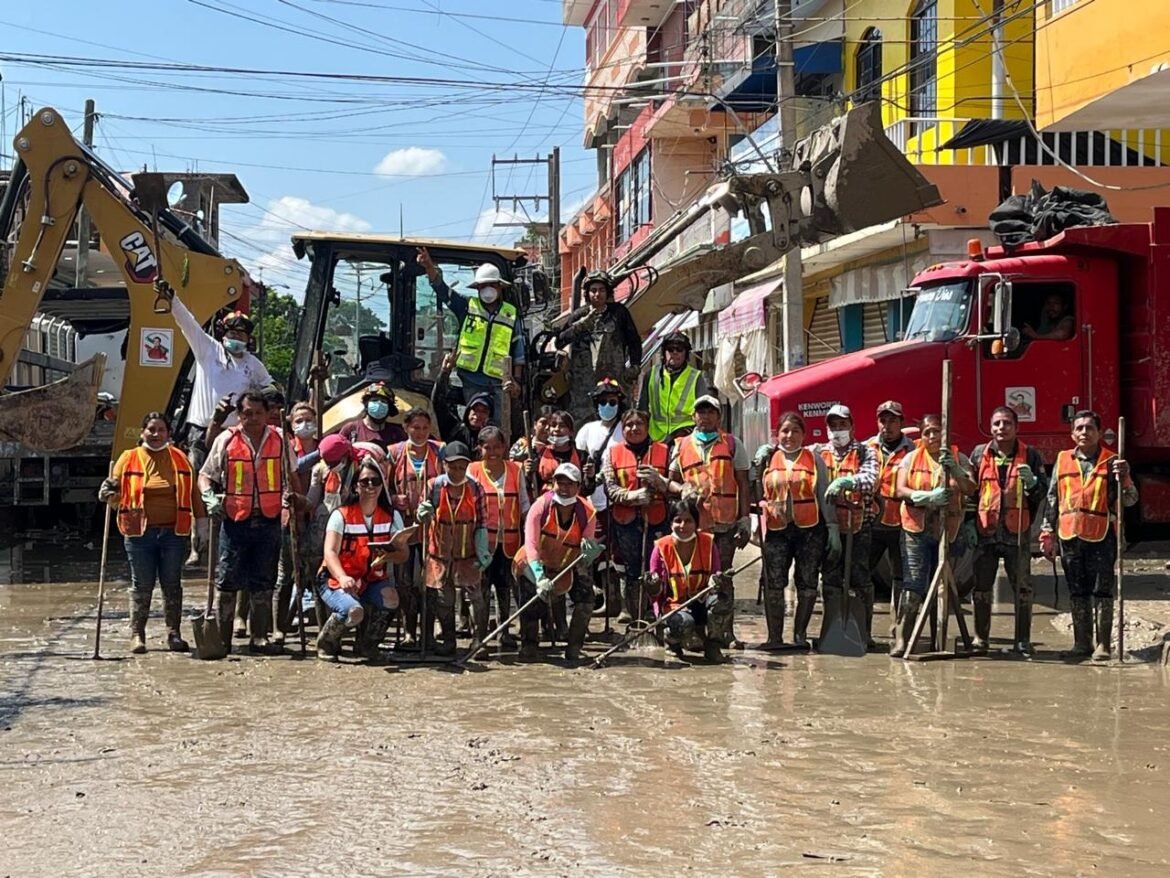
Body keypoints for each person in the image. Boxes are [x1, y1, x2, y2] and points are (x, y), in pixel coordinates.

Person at [198, 391, 299, 655]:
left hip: (269, 520)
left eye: (258, 413)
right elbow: (205, 475)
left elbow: (292, 475)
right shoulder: (226, 439)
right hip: (235, 520)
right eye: (247, 413)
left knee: (264, 580)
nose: (252, 418)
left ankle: (259, 638)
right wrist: (209, 496)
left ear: (267, 414)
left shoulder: (280, 439)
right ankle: (222, 640)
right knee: (227, 580)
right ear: (239, 415)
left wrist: (295, 501)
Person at [98, 413, 208, 654]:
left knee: (172, 583)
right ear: (142, 432)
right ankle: (137, 635)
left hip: (173, 533)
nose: (156, 434)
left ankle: (174, 634)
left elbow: (193, 494)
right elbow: (115, 493)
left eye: (161, 430)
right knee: (142, 584)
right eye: (151, 429)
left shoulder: (180, 459)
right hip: (139, 534)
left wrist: (201, 525)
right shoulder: (128, 458)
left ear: (168, 433)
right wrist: (107, 493)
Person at [1041, 410, 1137, 661]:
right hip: (1070, 535)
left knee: (1102, 591)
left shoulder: (1113, 462)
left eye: (1090, 428)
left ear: (1099, 432)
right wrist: (1047, 532)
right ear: (1072, 434)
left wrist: (1125, 477)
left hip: (1101, 535)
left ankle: (1103, 645)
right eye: (1079, 428)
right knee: (1077, 591)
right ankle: (1082, 643)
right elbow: (1052, 498)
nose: (1084, 432)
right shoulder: (1062, 459)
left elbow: (1130, 500)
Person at [668, 394, 751, 648]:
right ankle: (694, 631)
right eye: (701, 412)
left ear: (719, 417)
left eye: (710, 412)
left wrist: (745, 520)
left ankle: (724, 633)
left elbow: (744, 484)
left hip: (724, 525)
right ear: (693, 416)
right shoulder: (681, 445)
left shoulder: (733, 444)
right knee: (693, 578)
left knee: (723, 578)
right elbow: (669, 482)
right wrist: (682, 489)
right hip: (692, 527)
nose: (705, 416)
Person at [892, 414, 976, 658]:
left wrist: (956, 471)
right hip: (916, 529)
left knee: (941, 587)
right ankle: (903, 639)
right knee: (914, 585)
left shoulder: (959, 458)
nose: (932, 437)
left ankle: (937, 638)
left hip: (947, 530)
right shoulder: (911, 458)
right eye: (927, 432)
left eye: (936, 431)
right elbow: (900, 489)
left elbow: (971, 488)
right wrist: (924, 497)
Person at [968, 406, 1048, 655]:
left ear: (1016, 427)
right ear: (990, 428)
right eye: (997, 424)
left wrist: (1032, 483)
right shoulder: (979, 454)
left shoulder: (1031, 455)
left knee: (1022, 588)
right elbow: (971, 492)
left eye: (1007, 423)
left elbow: (1042, 493)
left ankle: (1022, 640)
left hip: (1017, 533)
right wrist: (969, 525)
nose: (1001, 428)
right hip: (986, 532)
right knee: (981, 588)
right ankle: (981, 639)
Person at [316, 456, 408, 662]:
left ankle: (368, 645)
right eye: (365, 481)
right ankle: (327, 642)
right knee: (353, 611)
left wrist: (388, 555)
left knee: (392, 599)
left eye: (375, 481)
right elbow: (330, 552)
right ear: (356, 486)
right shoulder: (341, 515)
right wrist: (342, 577)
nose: (370, 486)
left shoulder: (392, 516)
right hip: (335, 579)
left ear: (382, 485)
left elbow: (404, 555)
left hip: (372, 579)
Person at [417, 249, 525, 419]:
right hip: (470, 380)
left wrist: (516, 382)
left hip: (499, 383)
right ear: (477, 288)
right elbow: (443, 291)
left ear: (499, 286)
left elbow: (518, 352)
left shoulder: (510, 314)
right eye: (483, 286)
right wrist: (429, 267)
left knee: (497, 426)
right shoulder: (467, 306)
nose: (488, 290)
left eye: (492, 285)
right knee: (474, 421)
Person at [757, 412, 832, 648]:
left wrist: (832, 528)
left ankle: (800, 636)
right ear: (777, 434)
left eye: (795, 431)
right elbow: (755, 490)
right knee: (773, 582)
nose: (789, 436)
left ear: (804, 435)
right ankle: (775, 638)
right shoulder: (768, 458)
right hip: (777, 530)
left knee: (807, 581)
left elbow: (824, 494)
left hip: (810, 530)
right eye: (785, 431)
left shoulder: (814, 459)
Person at [169, 299, 272, 471]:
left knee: (232, 478)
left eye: (241, 335)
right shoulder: (208, 349)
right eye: (232, 333)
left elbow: (270, 386)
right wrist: (173, 300)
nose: (236, 337)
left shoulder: (253, 364)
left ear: (248, 339)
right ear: (224, 335)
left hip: (233, 433)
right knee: (198, 476)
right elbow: (186, 322)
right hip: (201, 432)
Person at [513, 462, 599, 661]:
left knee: (586, 597)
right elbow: (531, 543)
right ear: (553, 484)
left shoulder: (588, 513)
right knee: (532, 602)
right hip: (533, 562)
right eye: (560, 483)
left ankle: (574, 647)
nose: (564, 488)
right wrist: (539, 576)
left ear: (578, 487)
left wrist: (589, 553)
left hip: (566, 563)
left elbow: (586, 543)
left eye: (570, 484)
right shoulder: (540, 507)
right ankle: (529, 645)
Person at [415, 442, 490, 655]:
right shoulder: (434, 486)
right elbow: (421, 515)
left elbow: (482, 522)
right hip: (439, 553)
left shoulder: (475, 488)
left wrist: (483, 550)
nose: (457, 472)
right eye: (452, 466)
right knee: (443, 599)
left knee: (476, 597)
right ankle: (449, 642)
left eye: (461, 467)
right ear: (443, 465)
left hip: (468, 552)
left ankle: (479, 641)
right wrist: (422, 513)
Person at [815, 404, 880, 648]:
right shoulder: (817, 452)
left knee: (860, 578)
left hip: (858, 526)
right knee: (830, 578)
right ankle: (832, 631)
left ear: (851, 426)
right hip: (828, 527)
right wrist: (771, 450)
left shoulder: (865, 451)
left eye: (842, 424)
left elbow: (871, 479)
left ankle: (864, 633)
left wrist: (847, 481)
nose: (837, 429)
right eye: (833, 425)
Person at [603, 409, 673, 624]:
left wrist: (659, 482)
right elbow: (610, 488)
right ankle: (637, 618)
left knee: (657, 569)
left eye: (639, 424)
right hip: (626, 523)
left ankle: (657, 613)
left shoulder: (665, 451)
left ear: (647, 426)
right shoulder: (612, 453)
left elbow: (674, 486)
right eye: (629, 425)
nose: (634, 428)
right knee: (632, 571)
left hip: (657, 520)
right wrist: (633, 496)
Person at [647, 498, 732, 662]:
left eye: (688, 521)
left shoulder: (708, 543)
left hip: (701, 600)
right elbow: (655, 592)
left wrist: (716, 581)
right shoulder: (661, 547)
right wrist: (653, 584)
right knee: (684, 622)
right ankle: (672, 642)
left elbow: (715, 572)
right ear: (671, 523)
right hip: (673, 606)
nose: (683, 526)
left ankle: (713, 645)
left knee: (722, 602)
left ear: (696, 523)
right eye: (678, 521)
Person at [386, 408, 445, 646]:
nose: (420, 433)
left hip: (433, 527)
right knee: (405, 581)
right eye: (415, 427)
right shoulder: (394, 452)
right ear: (406, 427)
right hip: (405, 526)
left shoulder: (440, 451)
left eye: (424, 428)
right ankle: (409, 632)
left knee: (431, 580)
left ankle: (428, 633)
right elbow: (384, 486)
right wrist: (393, 498)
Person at [469, 427, 531, 648]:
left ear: (504, 447)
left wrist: (530, 532)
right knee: (482, 589)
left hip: (510, 542)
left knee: (505, 587)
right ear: (480, 449)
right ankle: (480, 637)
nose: (493, 452)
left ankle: (504, 631)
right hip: (482, 543)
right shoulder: (473, 470)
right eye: (488, 447)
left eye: (497, 447)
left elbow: (524, 503)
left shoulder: (515, 469)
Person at [555, 271, 643, 427]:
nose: (597, 294)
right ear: (587, 294)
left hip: (614, 380)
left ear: (608, 292)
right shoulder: (578, 315)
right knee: (583, 423)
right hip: (583, 386)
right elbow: (559, 341)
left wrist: (635, 366)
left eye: (602, 290)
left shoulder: (619, 313)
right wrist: (581, 326)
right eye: (593, 290)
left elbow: (634, 341)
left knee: (618, 419)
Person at [864, 401, 917, 636]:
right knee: (861, 576)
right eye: (883, 420)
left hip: (901, 524)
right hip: (872, 523)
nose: (887, 425)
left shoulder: (913, 451)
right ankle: (863, 631)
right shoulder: (866, 448)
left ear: (901, 423)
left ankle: (899, 633)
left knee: (901, 578)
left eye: (893, 420)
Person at [576, 378, 626, 613]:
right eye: (603, 402)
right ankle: (604, 599)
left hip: (620, 500)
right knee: (595, 553)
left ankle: (622, 604)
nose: (608, 406)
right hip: (593, 502)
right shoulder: (587, 430)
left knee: (619, 552)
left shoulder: (626, 428)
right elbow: (579, 463)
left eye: (612, 402)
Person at [273, 401, 321, 646]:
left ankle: (323, 627)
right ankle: (279, 627)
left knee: (318, 574)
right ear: (291, 425)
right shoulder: (285, 448)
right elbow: (289, 472)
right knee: (287, 575)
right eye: (299, 420)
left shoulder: (325, 447)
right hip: (291, 517)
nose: (305, 424)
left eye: (309, 419)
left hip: (319, 520)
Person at [640, 331, 708, 443]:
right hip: (655, 438)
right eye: (670, 349)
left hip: (685, 437)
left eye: (679, 349)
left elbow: (704, 409)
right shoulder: (651, 374)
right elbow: (642, 408)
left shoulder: (696, 377)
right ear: (664, 352)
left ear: (686, 353)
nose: (675, 353)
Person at [339, 381, 406, 450]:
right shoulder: (351, 429)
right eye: (374, 400)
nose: (379, 404)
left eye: (383, 401)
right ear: (366, 405)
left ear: (389, 408)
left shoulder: (397, 433)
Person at [529, 410, 581, 492]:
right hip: (547, 498)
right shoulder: (539, 455)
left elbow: (587, 488)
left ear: (571, 431)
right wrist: (529, 473)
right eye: (553, 425)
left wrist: (590, 477)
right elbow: (532, 485)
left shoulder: (581, 456)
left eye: (562, 426)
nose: (557, 429)